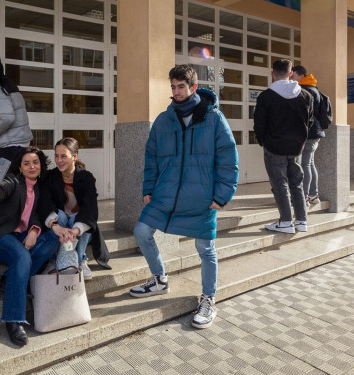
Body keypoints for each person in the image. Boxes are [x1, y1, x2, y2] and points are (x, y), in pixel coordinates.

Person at [127, 64, 239, 330]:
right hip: (166, 195)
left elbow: (228, 159)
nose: (176, 92)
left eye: (181, 87)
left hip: (201, 198)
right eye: (173, 87)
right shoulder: (164, 120)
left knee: (205, 249)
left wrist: (222, 195)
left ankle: (209, 299)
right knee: (142, 231)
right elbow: (151, 158)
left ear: (193, 87)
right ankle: (159, 279)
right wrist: (148, 188)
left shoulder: (214, 119)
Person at [0, 147, 60, 347]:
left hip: (20, 235)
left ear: (41, 165)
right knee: (21, 257)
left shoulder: (40, 187)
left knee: (52, 240)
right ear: (20, 168)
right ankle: (13, 320)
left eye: (35, 162)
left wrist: (34, 230)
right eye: (26, 163)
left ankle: (9, 280)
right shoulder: (14, 181)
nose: (32, 166)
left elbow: (38, 215)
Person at [254, 59, 314, 234]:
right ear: (290, 73)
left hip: (274, 147)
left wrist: (263, 141)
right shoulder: (306, 96)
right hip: (296, 147)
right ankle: (301, 221)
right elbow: (309, 121)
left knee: (280, 185)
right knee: (297, 184)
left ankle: (286, 222)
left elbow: (259, 123)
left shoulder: (266, 96)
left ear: (273, 73)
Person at [40, 137, 110, 279]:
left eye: (63, 156)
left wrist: (75, 230)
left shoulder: (86, 177)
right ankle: (55, 260)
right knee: (61, 214)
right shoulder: (50, 177)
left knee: (81, 220)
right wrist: (56, 227)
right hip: (60, 223)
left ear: (75, 156)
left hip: (79, 227)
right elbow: (45, 204)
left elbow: (90, 208)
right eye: (56, 156)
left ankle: (80, 259)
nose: (59, 160)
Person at [0, 57, 32, 164]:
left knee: (5, 178)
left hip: (11, 145)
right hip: (20, 142)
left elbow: (6, 117)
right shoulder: (10, 87)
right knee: (18, 178)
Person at [291, 65, 325, 204]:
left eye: (293, 76)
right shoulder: (314, 89)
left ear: (300, 76)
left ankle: (303, 196)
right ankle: (313, 195)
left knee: (304, 164)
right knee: (309, 163)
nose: (291, 79)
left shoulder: (304, 90)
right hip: (315, 131)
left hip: (307, 132)